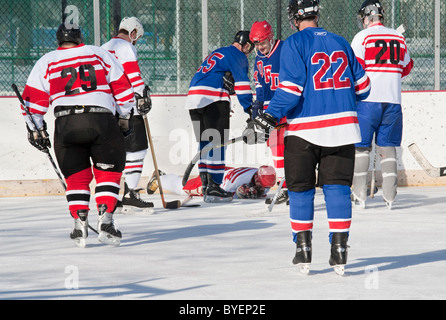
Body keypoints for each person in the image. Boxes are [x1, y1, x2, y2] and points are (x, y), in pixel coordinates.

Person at [254, 0, 371, 275]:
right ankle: (340, 250)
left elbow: (291, 89)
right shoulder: (341, 41)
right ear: (317, 14)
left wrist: (269, 114)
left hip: (304, 131)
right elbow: (364, 87)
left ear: (294, 18)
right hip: (343, 129)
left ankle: (303, 250)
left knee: (300, 189)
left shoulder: (294, 43)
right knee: (337, 188)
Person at [21, 23, 135, 248]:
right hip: (101, 119)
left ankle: (79, 224)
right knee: (108, 172)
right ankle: (106, 222)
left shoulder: (47, 60)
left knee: (76, 176)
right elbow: (123, 88)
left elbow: (32, 103)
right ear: (80, 38)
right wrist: (124, 116)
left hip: (66, 123)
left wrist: (37, 130)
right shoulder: (98, 53)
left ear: (58, 40)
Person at [350, 0, 413, 210]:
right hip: (393, 101)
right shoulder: (398, 37)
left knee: (361, 148)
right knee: (388, 148)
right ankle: (390, 196)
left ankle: (359, 194)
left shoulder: (362, 37)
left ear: (367, 16)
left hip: (367, 101)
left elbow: (354, 69)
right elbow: (406, 68)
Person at [185, 31, 254, 203]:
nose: (249, 52)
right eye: (250, 48)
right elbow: (243, 86)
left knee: (204, 142)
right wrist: (251, 110)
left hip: (193, 99)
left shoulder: (219, 52)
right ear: (246, 45)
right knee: (218, 142)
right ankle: (214, 186)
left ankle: (206, 184)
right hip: (213, 98)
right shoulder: (238, 55)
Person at [102, 17, 154, 211]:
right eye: (137, 38)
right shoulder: (126, 47)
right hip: (125, 104)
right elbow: (132, 74)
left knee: (114, 150)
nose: (136, 41)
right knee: (137, 147)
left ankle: (111, 196)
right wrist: (142, 97)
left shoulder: (104, 47)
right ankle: (130, 192)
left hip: (106, 105)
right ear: (133, 33)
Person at [249, 20, 288, 205]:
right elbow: (260, 84)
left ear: (271, 38)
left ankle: (291, 187)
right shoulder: (258, 58)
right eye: (256, 43)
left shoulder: (285, 50)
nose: (260, 47)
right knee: (276, 147)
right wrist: (258, 106)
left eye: (262, 42)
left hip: (289, 106)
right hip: (272, 109)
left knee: (289, 147)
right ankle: (285, 187)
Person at [147, 166, 276, 200]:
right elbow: (221, 193)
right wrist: (238, 193)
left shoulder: (262, 178)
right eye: (261, 186)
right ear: (256, 180)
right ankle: (159, 178)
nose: (264, 189)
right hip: (216, 179)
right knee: (183, 188)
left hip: (226, 173)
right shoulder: (237, 179)